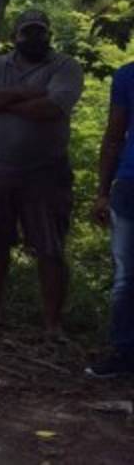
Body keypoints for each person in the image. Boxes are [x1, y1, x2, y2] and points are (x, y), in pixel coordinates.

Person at [0, 9, 84, 337]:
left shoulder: (65, 66)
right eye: (27, 32)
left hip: (46, 172)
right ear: (15, 36)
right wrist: (24, 93)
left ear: (49, 35)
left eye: (40, 32)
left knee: (50, 247)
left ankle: (52, 323)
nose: (34, 38)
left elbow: (52, 108)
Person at [87, 62, 134, 376]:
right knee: (126, 277)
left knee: (126, 277)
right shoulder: (128, 75)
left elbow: (114, 136)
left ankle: (123, 353)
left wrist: (103, 191)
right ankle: (123, 352)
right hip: (129, 184)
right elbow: (114, 135)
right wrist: (103, 191)